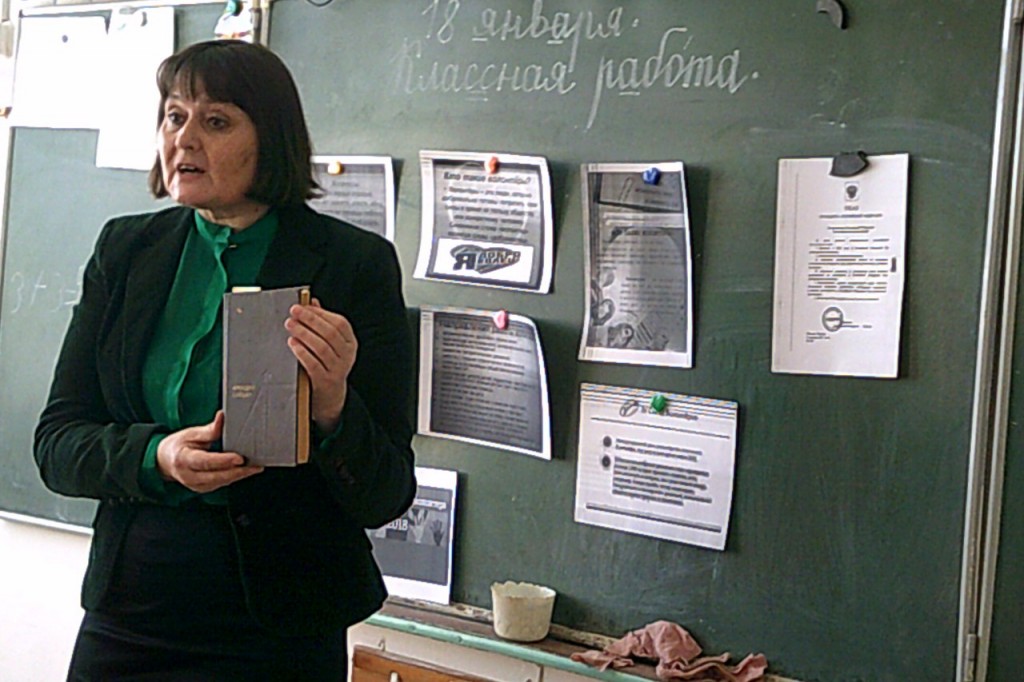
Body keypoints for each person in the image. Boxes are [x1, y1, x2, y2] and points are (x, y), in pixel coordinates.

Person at [33, 40, 416, 681]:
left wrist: (332, 406)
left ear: (271, 141)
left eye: (215, 121)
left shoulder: (353, 265)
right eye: (173, 116)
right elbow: (57, 444)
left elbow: (387, 492)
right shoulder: (125, 250)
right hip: (132, 610)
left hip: (282, 625)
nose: (184, 139)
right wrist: (159, 456)